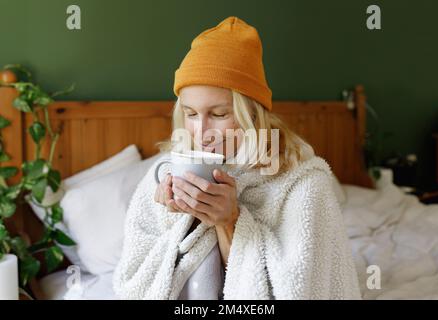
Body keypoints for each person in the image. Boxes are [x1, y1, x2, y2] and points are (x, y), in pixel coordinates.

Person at [113, 16, 361, 300]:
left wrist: (229, 222)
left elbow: (293, 291)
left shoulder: (302, 184)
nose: (202, 132)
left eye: (219, 114)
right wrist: (175, 219)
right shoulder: (165, 170)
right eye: (191, 114)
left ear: (252, 114)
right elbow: (133, 281)